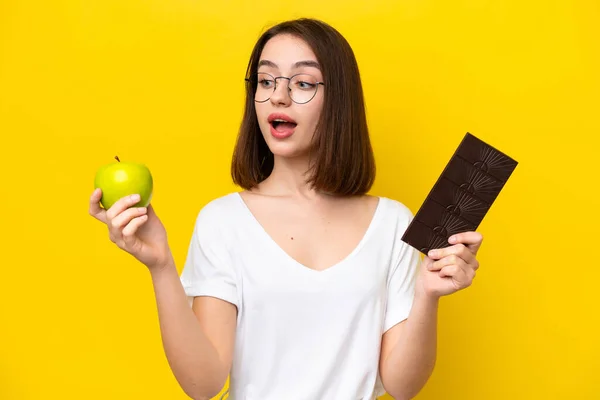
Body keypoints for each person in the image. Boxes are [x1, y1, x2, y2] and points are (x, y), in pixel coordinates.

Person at [89, 18, 483, 400]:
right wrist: (160, 266)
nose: (278, 95)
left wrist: (427, 295)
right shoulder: (223, 221)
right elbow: (203, 383)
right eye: (265, 81)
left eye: (303, 83)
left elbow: (403, 385)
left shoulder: (392, 222)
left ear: (340, 101)